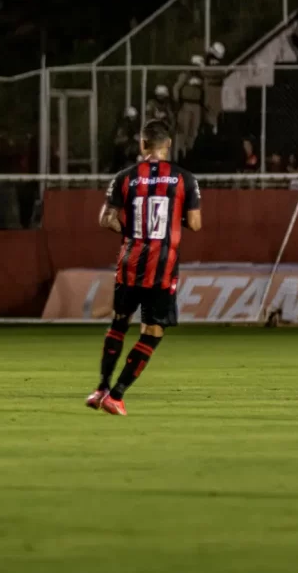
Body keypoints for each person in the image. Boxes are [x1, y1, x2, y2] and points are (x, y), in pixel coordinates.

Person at [85, 120, 202, 416]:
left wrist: (132, 232)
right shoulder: (184, 178)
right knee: (153, 331)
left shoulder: (124, 177)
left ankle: (100, 387)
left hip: (129, 261)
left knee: (119, 323)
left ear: (142, 145)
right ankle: (118, 394)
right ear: (169, 144)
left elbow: (105, 219)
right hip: (162, 267)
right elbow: (197, 224)